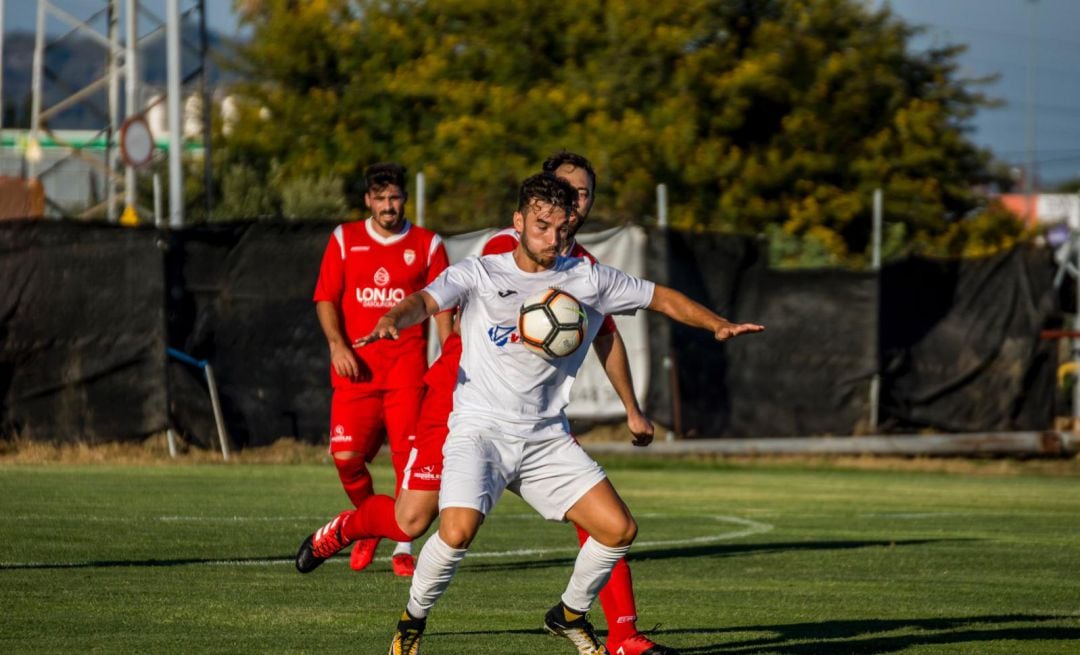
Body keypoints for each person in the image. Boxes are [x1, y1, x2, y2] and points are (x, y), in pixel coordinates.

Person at [363, 172, 762, 654]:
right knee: (456, 530)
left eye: (561, 228)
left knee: (619, 529)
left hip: (544, 437)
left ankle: (568, 613)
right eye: (541, 226)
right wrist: (391, 319)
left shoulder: (588, 278)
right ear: (519, 221)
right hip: (479, 430)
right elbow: (425, 301)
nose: (553, 239)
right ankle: (413, 620)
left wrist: (716, 324)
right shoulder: (482, 273)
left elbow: (661, 297)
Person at [297, 152, 676, 654]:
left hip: (531, 417)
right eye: (566, 191)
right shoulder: (506, 248)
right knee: (412, 521)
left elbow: (604, 335)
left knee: (603, 519)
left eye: (584, 195)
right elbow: (439, 299)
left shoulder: (581, 268)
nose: (576, 202)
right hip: (458, 400)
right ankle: (350, 526)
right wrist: (401, 316)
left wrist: (630, 406)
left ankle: (619, 633)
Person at [311, 161, 452, 577]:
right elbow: (325, 299)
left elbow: (441, 304)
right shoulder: (344, 239)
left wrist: (447, 360)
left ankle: (403, 545)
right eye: (380, 198)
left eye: (395, 198)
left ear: (404, 198)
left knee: (409, 462)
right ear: (367, 200)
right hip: (355, 373)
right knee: (345, 457)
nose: (388, 206)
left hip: (407, 374)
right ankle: (369, 522)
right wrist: (338, 345)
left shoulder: (428, 244)